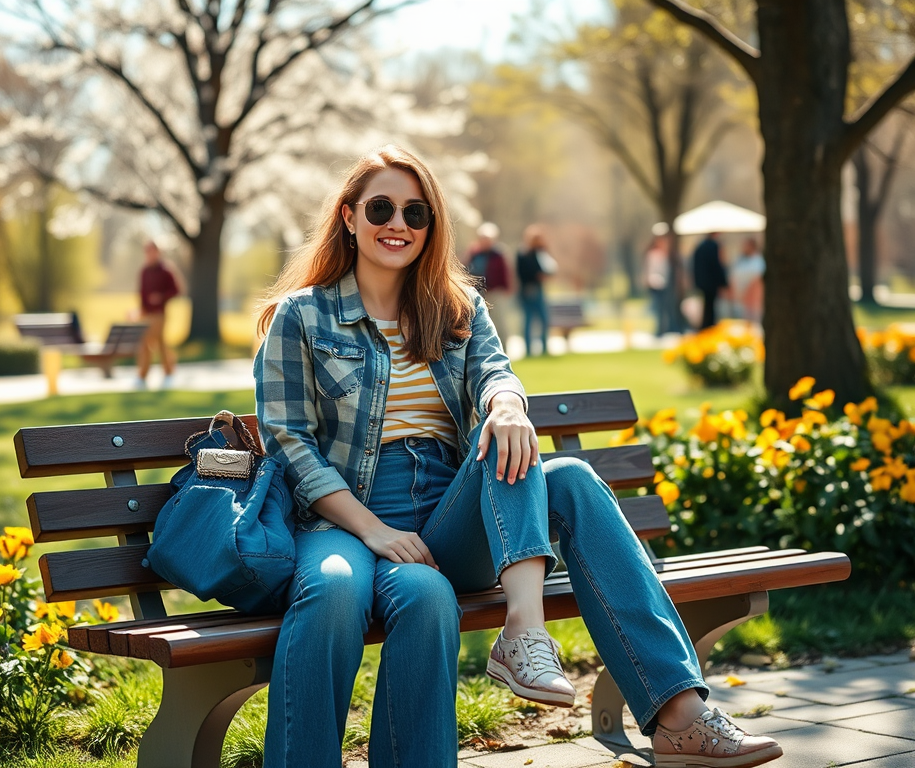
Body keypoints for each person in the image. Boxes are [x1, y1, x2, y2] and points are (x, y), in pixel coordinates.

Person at [252, 145, 782, 768]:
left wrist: (505, 403)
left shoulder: (457, 306)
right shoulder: (303, 316)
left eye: (416, 213)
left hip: (448, 516)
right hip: (344, 515)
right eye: (382, 208)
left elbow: (496, 372)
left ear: (432, 225)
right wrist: (375, 529)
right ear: (348, 216)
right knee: (361, 592)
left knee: (556, 466)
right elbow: (289, 442)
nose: (398, 224)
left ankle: (670, 712)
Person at [136, 240, 181, 390]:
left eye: (152, 251)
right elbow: (141, 293)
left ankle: (144, 374)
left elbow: (176, 290)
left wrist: (161, 297)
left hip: (160, 314)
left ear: (157, 252)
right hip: (146, 314)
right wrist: (140, 310)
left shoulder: (165, 270)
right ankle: (168, 368)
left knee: (147, 340)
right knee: (157, 343)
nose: (149, 255)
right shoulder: (144, 271)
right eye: (147, 252)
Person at [464, 222, 512, 348]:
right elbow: (465, 269)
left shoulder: (498, 254)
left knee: (499, 323)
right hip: (478, 293)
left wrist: (506, 289)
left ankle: (504, 349)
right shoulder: (474, 253)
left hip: (495, 292)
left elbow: (505, 273)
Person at [515, 225, 557, 356]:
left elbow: (549, 267)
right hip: (528, 289)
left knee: (543, 319)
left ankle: (544, 347)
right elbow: (522, 272)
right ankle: (528, 349)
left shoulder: (540, 252)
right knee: (529, 320)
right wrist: (536, 276)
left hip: (538, 288)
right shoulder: (523, 253)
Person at [691, 232, 728, 330]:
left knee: (707, 306)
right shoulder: (713, 246)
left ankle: (706, 327)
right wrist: (724, 282)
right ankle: (709, 327)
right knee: (710, 307)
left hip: (702, 282)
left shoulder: (699, 246)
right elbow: (716, 266)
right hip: (711, 283)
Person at [644, 229, 673, 337]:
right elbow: (652, 270)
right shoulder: (653, 254)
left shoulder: (664, 254)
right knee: (658, 308)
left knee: (663, 308)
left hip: (663, 284)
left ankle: (663, 329)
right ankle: (659, 331)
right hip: (656, 284)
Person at [730, 237, 765, 324]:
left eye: (746, 245)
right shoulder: (740, 260)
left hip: (752, 302)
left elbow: (757, 281)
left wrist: (748, 295)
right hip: (739, 301)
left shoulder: (758, 261)